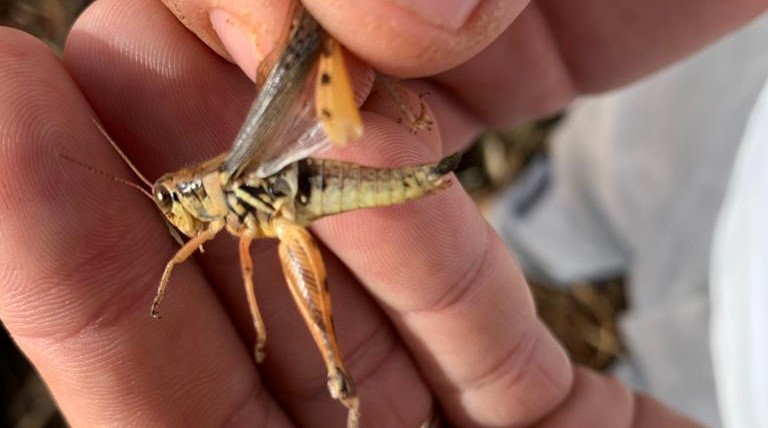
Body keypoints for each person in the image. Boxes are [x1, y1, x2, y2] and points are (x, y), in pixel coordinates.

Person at [0, 0, 764, 426]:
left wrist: (184, 288)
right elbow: (239, 259)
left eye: (173, 198)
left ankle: (522, 231)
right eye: (170, 201)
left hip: (304, 188)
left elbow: (301, 60)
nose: (175, 214)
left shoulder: (227, 187)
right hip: (297, 204)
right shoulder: (223, 218)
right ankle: (540, 226)